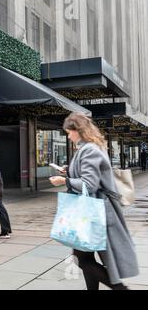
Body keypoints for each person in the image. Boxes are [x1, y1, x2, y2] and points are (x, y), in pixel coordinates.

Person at [49, 112, 139, 290]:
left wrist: (64, 181)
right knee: (86, 259)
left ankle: (122, 289)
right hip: (92, 211)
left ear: (78, 130)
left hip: (94, 213)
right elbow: (87, 175)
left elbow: (89, 184)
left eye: (69, 131)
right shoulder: (88, 148)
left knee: (83, 260)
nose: (68, 135)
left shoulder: (89, 149)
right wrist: (68, 172)